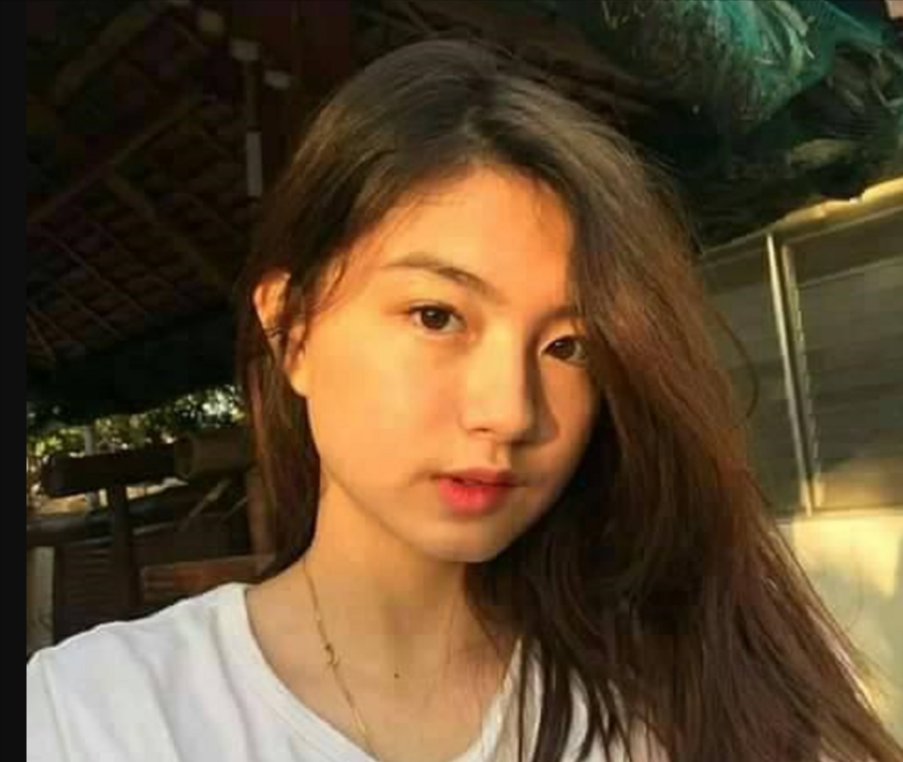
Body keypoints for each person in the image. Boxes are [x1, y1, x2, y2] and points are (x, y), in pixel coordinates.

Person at [26, 38, 902, 762]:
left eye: (568, 346)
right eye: (436, 315)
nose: (510, 412)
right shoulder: (92, 717)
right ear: (291, 330)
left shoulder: (681, 702)